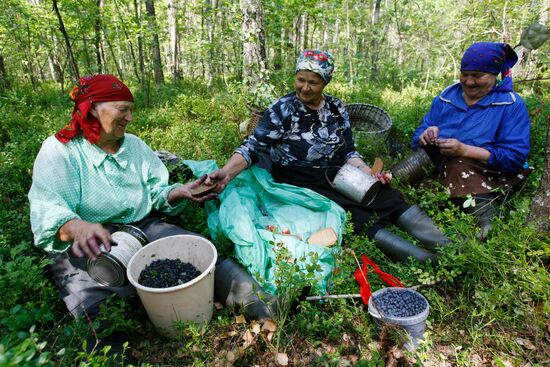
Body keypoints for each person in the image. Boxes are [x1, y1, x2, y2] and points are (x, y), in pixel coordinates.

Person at [28, 74, 217, 357]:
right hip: (89, 242)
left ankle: (257, 302)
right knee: (88, 299)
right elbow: (49, 210)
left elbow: (156, 192)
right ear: (92, 108)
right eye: (122, 109)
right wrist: (79, 228)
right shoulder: (60, 151)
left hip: (141, 228)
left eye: (131, 109)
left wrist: (179, 192)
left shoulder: (135, 147)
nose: (129, 118)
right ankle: (115, 356)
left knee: (194, 250)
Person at [207, 49, 450, 264]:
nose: (304, 87)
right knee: (353, 217)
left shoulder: (336, 108)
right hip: (299, 180)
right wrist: (226, 173)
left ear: (325, 82)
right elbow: (252, 146)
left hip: (338, 173)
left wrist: (367, 173)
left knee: (387, 197)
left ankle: (447, 247)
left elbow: (349, 151)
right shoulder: (282, 110)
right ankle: (425, 259)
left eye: (313, 82)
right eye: (300, 80)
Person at [410, 42, 531, 239]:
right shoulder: (446, 98)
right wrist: (425, 135)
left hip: (489, 169)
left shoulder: (510, 104)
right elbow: (417, 137)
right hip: (442, 164)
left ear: (494, 74)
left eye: (477, 76)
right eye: (465, 74)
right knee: (410, 175)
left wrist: (464, 150)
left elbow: (514, 157)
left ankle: (486, 221)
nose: (469, 82)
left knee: (459, 167)